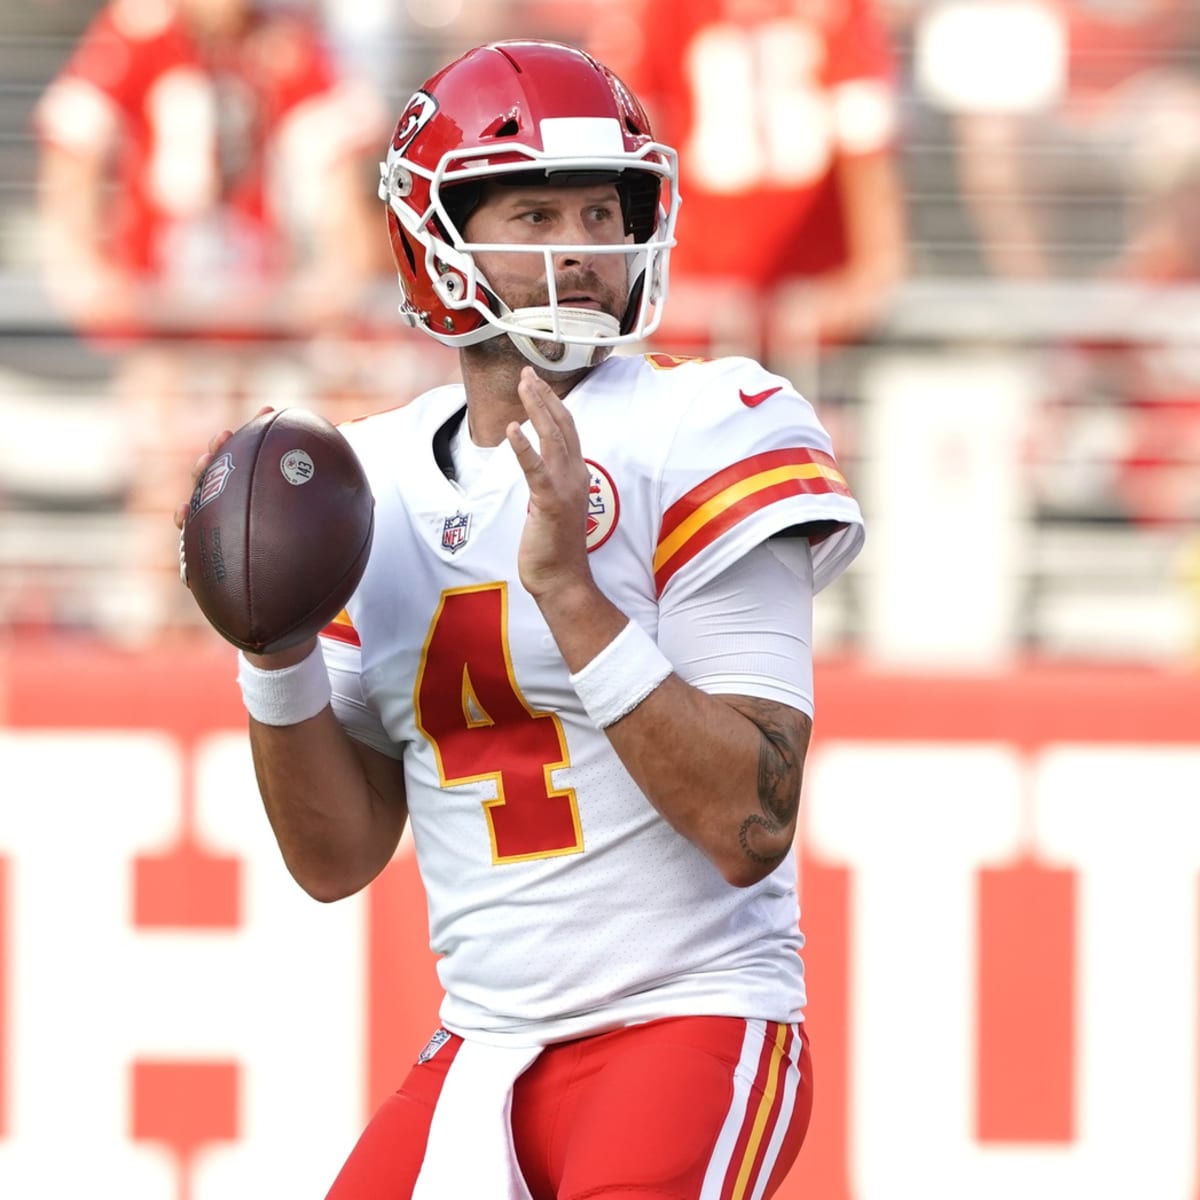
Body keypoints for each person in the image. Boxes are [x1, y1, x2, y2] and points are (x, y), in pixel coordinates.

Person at [175, 39, 864, 1198]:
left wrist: (571, 597)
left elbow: (750, 823)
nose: (585, 249)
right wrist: (273, 655)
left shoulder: (711, 426)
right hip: (482, 1044)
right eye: (535, 214)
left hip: (687, 1021)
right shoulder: (370, 477)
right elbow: (336, 858)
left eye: (603, 210)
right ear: (434, 238)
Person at [34, 0, 386, 633]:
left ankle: (251, 638)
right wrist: (83, 264)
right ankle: (157, 642)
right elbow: (74, 146)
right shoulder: (141, 29)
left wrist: (329, 278)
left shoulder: (285, 40)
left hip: (258, 329)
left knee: (262, 493)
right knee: (161, 483)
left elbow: (343, 173)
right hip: (164, 326)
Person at [596, 0, 907, 370]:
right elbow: (628, 148)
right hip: (702, 293)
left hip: (807, 293)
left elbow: (865, 139)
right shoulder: (656, 12)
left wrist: (872, 273)